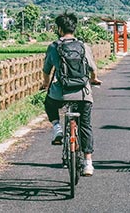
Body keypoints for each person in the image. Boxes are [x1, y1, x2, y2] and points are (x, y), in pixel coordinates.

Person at [42, 12, 102, 176]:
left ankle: (57, 128)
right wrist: (94, 79)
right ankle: (88, 163)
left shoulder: (53, 47)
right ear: (74, 28)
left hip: (60, 93)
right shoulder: (83, 46)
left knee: (49, 103)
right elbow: (93, 70)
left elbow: (46, 71)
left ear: (59, 29)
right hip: (83, 93)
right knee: (85, 125)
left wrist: (46, 84)